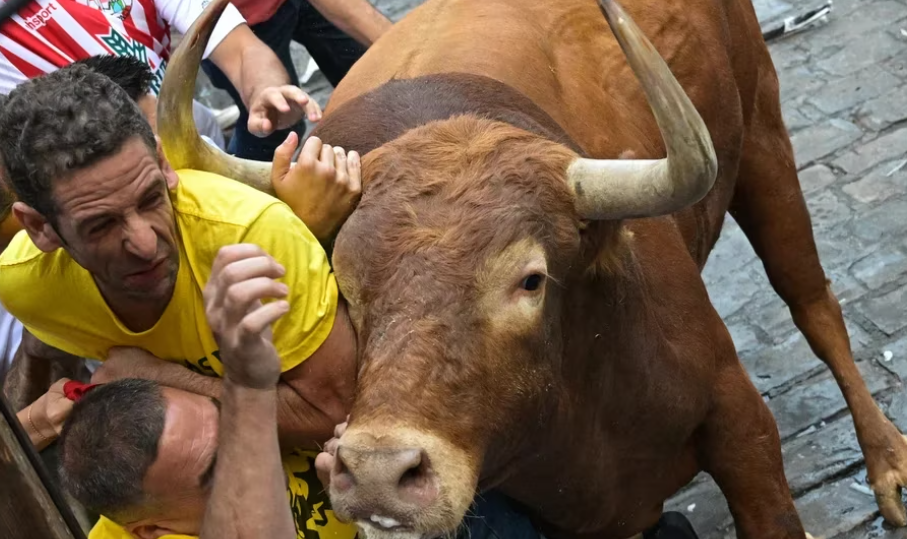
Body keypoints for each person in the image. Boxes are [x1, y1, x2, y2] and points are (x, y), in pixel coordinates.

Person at [0, 63, 360, 537]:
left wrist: (162, 379)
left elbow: (335, 415)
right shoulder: (27, 287)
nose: (146, 243)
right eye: (102, 225)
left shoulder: (251, 235)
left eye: (151, 197)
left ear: (165, 164)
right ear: (41, 228)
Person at [201, 0, 393, 161]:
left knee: (371, 70)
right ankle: (240, 188)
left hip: (294, 4)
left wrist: (401, 45)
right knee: (275, 123)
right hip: (227, 24)